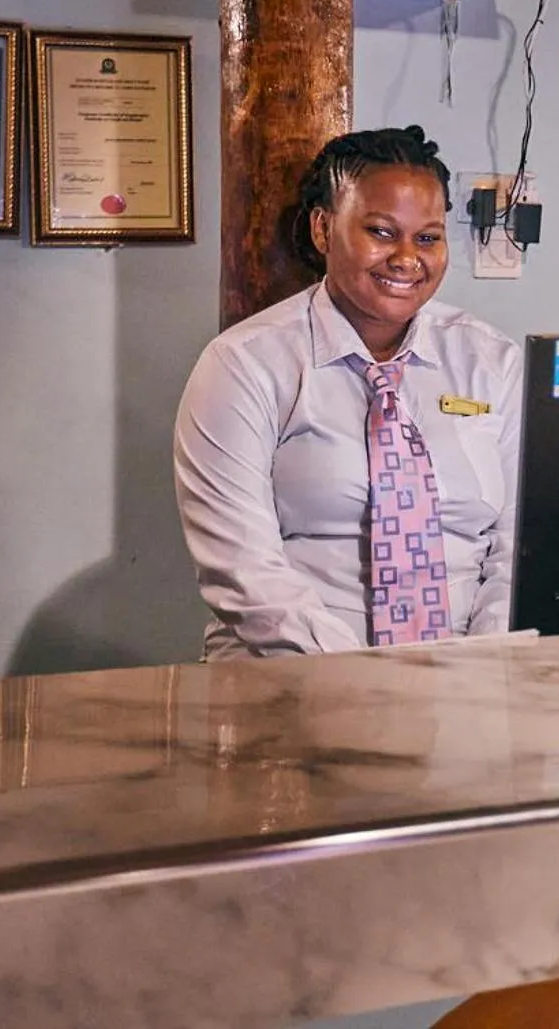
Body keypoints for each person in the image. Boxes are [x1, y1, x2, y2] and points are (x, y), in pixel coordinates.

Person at [174, 127, 521, 658]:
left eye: (428, 238)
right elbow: (243, 570)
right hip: (291, 668)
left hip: (466, 671)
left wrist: (486, 663)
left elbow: (518, 546)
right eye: (381, 232)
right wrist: (361, 678)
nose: (407, 258)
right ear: (323, 228)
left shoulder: (492, 362)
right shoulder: (244, 365)